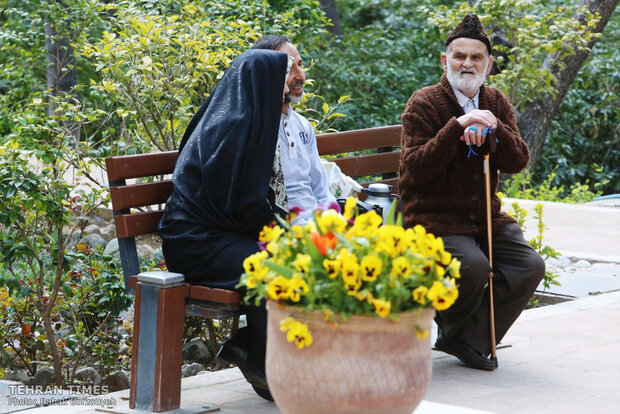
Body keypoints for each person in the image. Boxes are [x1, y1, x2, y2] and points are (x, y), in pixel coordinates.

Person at [399, 14, 545, 371]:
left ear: (489, 64)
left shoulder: (495, 101)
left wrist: (495, 129)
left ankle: (468, 338)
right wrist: (458, 125)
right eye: (459, 55)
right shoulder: (425, 103)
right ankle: (454, 327)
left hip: (484, 218)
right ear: (444, 60)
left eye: (476, 57)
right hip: (435, 217)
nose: (467, 63)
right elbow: (415, 169)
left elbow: (517, 161)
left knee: (530, 265)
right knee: (473, 266)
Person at [158, 49, 290, 400]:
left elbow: (248, 203)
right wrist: (285, 236)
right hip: (194, 241)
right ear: (260, 83)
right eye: (279, 79)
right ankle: (264, 365)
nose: (285, 86)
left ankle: (257, 350)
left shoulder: (248, 119)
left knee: (301, 261)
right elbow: (244, 202)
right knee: (272, 267)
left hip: (222, 233)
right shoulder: (230, 126)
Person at [251, 35, 336, 224]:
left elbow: (321, 190)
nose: (302, 76)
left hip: (318, 226)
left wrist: (334, 221)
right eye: (290, 68)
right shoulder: (255, 130)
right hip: (285, 231)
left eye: (300, 65)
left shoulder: (303, 125)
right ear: (268, 73)